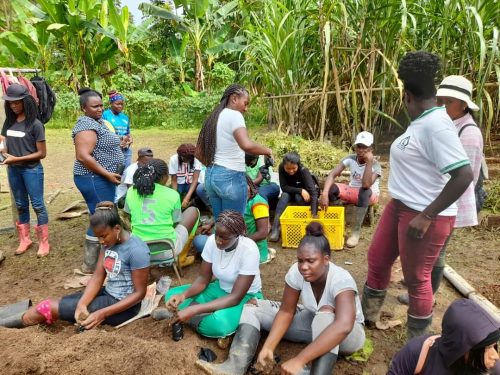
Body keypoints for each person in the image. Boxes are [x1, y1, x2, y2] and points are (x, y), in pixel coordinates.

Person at [362, 51, 473, 340]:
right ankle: (366, 319)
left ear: (407, 95)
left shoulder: (436, 126)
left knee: (416, 278)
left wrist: (426, 215)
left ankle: (418, 345)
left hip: (422, 215)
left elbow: (463, 175)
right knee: (377, 258)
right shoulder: (424, 120)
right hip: (399, 206)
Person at [197, 222, 365, 375]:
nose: (304, 267)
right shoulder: (296, 272)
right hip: (313, 322)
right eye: (300, 261)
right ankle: (233, 367)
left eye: (311, 261)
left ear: (326, 259)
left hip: (348, 336)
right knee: (253, 306)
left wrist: (300, 360)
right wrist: (269, 347)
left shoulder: (341, 279)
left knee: (326, 313)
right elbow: (286, 311)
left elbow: (343, 325)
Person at [399, 75, 485, 306]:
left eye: (448, 102)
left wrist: (431, 211)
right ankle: (421, 284)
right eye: (441, 101)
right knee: (428, 249)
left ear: (464, 104)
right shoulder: (445, 124)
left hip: (448, 202)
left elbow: (465, 178)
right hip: (433, 198)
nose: (442, 107)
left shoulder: (468, 133)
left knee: (435, 254)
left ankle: (430, 294)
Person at [0, 202, 150, 329]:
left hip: (122, 308)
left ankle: (5, 326)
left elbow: (139, 294)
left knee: (46, 308)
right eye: (98, 237)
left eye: (103, 236)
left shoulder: (137, 250)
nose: (100, 241)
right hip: (108, 294)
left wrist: (102, 313)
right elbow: (98, 276)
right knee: (59, 302)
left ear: (117, 229)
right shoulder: (109, 241)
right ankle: (6, 314)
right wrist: (82, 304)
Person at [164, 210, 263, 339]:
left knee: (218, 324)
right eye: (217, 235)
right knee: (171, 295)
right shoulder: (211, 241)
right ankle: (197, 316)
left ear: (238, 235)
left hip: (245, 296)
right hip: (219, 288)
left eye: (224, 238)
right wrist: (183, 295)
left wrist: (194, 309)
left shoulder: (249, 250)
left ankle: (190, 315)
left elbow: (235, 297)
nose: (218, 241)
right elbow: (203, 279)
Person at [196, 84, 272, 221]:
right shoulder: (234, 115)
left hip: (211, 176)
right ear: (234, 98)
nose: (246, 109)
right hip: (230, 177)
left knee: (221, 225)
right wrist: (267, 151)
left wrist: (216, 169)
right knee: (233, 227)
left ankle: (217, 242)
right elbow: (246, 145)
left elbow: (198, 152)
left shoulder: (212, 118)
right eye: (245, 103)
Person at [72, 88, 124, 274]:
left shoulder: (97, 121)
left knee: (102, 215)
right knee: (102, 217)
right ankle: (91, 263)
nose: (100, 109)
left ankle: (99, 259)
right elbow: (83, 156)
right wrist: (107, 174)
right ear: (83, 108)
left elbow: (102, 145)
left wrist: (120, 142)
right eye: (95, 106)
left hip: (100, 178)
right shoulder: (85, 125)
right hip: (93, 178)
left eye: (101, 105)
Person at [0, 83, 50, 256]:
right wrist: (3, 149)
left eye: (17, 102)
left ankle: (43, 242)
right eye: (10, 103)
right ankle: (25, 239)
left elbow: (42, 153)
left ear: (26, 102)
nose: (13, 105)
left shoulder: (35, 124)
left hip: (31, 170)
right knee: (21, 205)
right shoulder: (9, 122)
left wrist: (17, 159)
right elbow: (4, 141)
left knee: (37, 205)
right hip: (14, 170)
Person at [388, 299, 499, 374]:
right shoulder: (418, 352)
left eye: (494, 346)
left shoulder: (491, 367)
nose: (495, 356)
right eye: (487, 348)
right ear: (462, 347)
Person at [124, 158, 199, 268]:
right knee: (193, 211)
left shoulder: (131, 191)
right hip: (168, 250)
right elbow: (175, 222)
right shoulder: (172, 195)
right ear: (164, 177)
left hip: (138, 251)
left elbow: (129, 216)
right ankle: (181, 259)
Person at [320, 131, 382, 248]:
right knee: (331, 188)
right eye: (359, 146)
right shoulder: (350, 159)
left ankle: (355, 232)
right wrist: (324, 194)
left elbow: (366, 185)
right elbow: (332, 174)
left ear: (371, 149)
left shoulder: (375, 165)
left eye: (365, 147)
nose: (361, 150)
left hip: (369, 195)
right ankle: (338, 221)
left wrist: (368, 163)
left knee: (364, 191)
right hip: (352, 191)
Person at [192, 176, 274, 264]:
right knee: (198, 241)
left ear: (250, 185)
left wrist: (236, 244)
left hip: (248, 246)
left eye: (243, 186)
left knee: (204, 243)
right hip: (229, 239)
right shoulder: (233, 200)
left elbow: (262, 233)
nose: (241, 190)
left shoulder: (258, 202)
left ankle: (221, 256)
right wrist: (210, 224)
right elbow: (224, 214)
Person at [270, 152, 319, 242]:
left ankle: (300, 224)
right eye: (288, 168)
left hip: (304, 197)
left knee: (298, 197)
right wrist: (300, 190)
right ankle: (275, 228)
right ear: (284, 166)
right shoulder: (281, 167)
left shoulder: (304, 171)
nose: (291, 171)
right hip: (291, 192)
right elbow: (284, 187)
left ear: (298, 165)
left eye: (294, 168)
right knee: (284, 196)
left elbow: (313, 192)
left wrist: (314, 213)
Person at [102, 90, 132, 168]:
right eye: (117, 104)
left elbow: (127, 132)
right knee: (114, 171)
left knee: (126, 171)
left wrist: (130, 139)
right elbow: (103, 132)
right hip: (111, 149)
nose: (120, 106)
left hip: (125, 149)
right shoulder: (105, 115)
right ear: (111, 103)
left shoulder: (125, 117)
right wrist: (119, 140)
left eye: (122, 104)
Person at [169, 143, 202, 208]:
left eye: (189, 159)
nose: (187, 161)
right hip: (179, 183)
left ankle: (193, 203)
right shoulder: (173, 159)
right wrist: (175, 198)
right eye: (185, 158)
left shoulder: (197, 159)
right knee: (172, 195)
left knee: (200, 191)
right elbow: (174, 180)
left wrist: (187, 198)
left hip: (192, 184)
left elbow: (195, 180)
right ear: (180, 155)